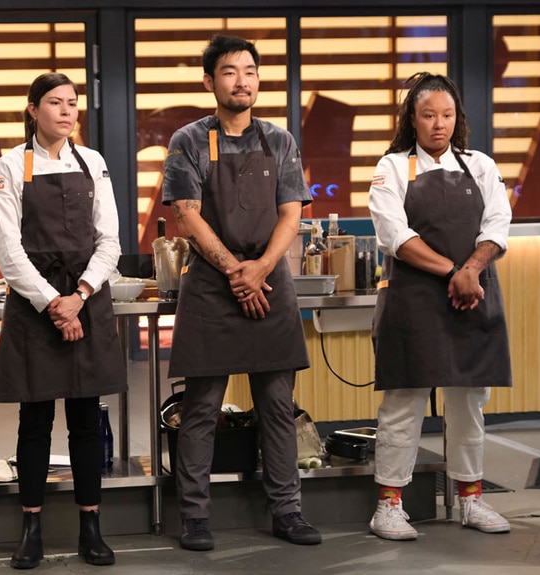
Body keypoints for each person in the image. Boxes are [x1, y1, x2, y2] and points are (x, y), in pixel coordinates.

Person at [161, 34, 321, 551]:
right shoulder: (188, 140)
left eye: (250, 70)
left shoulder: (280, 140)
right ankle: (195, 516)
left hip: (269, 280)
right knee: (202, 406)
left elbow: (291, 212)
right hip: (211, 285)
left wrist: (261, 269)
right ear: (210, 82)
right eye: (230, 72)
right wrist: (236, 271)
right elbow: (187, 213)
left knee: (277, 403)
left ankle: (288, 510)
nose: (242, 80)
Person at [367, 72, 513, 540]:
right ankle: (389, 506)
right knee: (404, 400)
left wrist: (471, 270)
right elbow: (396, 237)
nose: (438, 124)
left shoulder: (481, 166)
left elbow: (497, 224)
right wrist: (456, 273)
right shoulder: (392, 168)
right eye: (428, 115)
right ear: (412, 119)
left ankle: (471, 498)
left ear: (457, 119)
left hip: (473, 296)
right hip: (415, 299)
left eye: (446, 115)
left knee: (470, 400)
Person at [0, 72, 127, 569]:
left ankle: (91, 527)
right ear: (33, 109)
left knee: (87, 421)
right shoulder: (10, 165)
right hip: (35, 307)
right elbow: (8, 251)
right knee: (35, 422)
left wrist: (80, 296)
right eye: (55, 103)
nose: (67, 112)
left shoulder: (93, 162)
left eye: (72, 103)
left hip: (86, 302)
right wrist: (54, 302)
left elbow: (109, 241)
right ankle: (31, 529)